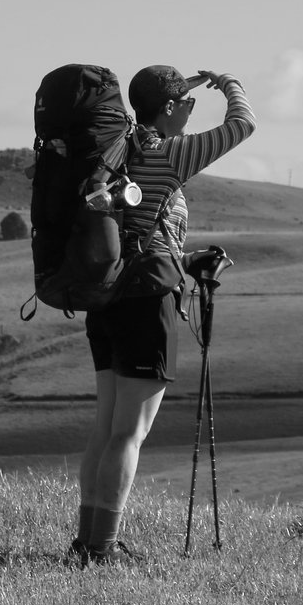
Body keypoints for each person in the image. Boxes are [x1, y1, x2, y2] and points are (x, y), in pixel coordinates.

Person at [73, 65, 256, 565]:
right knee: (129, 433)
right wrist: (229, 84)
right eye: (187, 104)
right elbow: (243, 125)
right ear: (170, 108)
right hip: (145, 301)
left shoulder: (118, 152)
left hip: (107, 297)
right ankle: (103, 549)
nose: (191, 112)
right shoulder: (167, 154)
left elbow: (140, 232)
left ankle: (87, 543)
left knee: (106, 428)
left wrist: (186, 259)